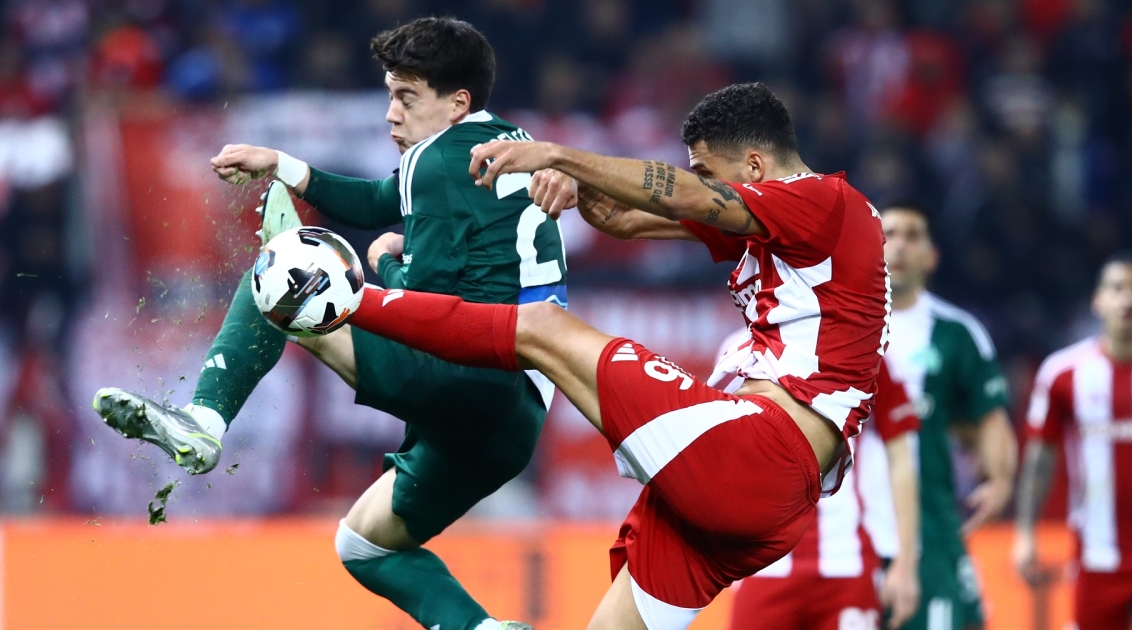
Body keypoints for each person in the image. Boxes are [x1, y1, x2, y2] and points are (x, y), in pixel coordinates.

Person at [339, 82, 890, 629]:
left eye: (707, 171)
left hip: (761, 450)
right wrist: (576, 184)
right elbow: (623, 219)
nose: (703, 182)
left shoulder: (824, 201)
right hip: (761, 494)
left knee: (543, 327)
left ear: (753, 166)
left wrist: (557, 154)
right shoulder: (790, 227)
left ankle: (341, 298)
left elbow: (685, 195)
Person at [91, 18, 565, 630]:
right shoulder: (505, 141)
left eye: (407, 97)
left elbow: (429, 310)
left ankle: (205, 420)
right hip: (518, 413)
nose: (391, 114)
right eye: (390, 94)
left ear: (457, 102)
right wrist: (282, 165)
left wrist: (388, 262)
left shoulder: (436, 160)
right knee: (364, 545)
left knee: (277, 275)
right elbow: (380, 202)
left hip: (463, 371)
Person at [1013, 254, 1132, 630]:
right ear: (1097, 301)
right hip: (1095, 556)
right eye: (1117, 289)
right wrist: (1026, 534)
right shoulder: (1062, 373)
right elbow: (1040, 456)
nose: (1128, 299)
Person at [880, 204, 1018, 630]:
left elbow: (990, 416)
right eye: (889, 234)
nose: (899, 245)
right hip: (846, 526)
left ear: (931, 256)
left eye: (912, 235)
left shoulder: (956, 331)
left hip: (931, 523)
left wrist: (1000, 481)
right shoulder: (835, 324)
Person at [728, 357, 922, 630]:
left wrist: (906, 564)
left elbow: (901, 456)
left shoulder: (868, 355)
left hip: (848, 560)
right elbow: (725, 456)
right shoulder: (742, 354)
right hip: (765, 565)